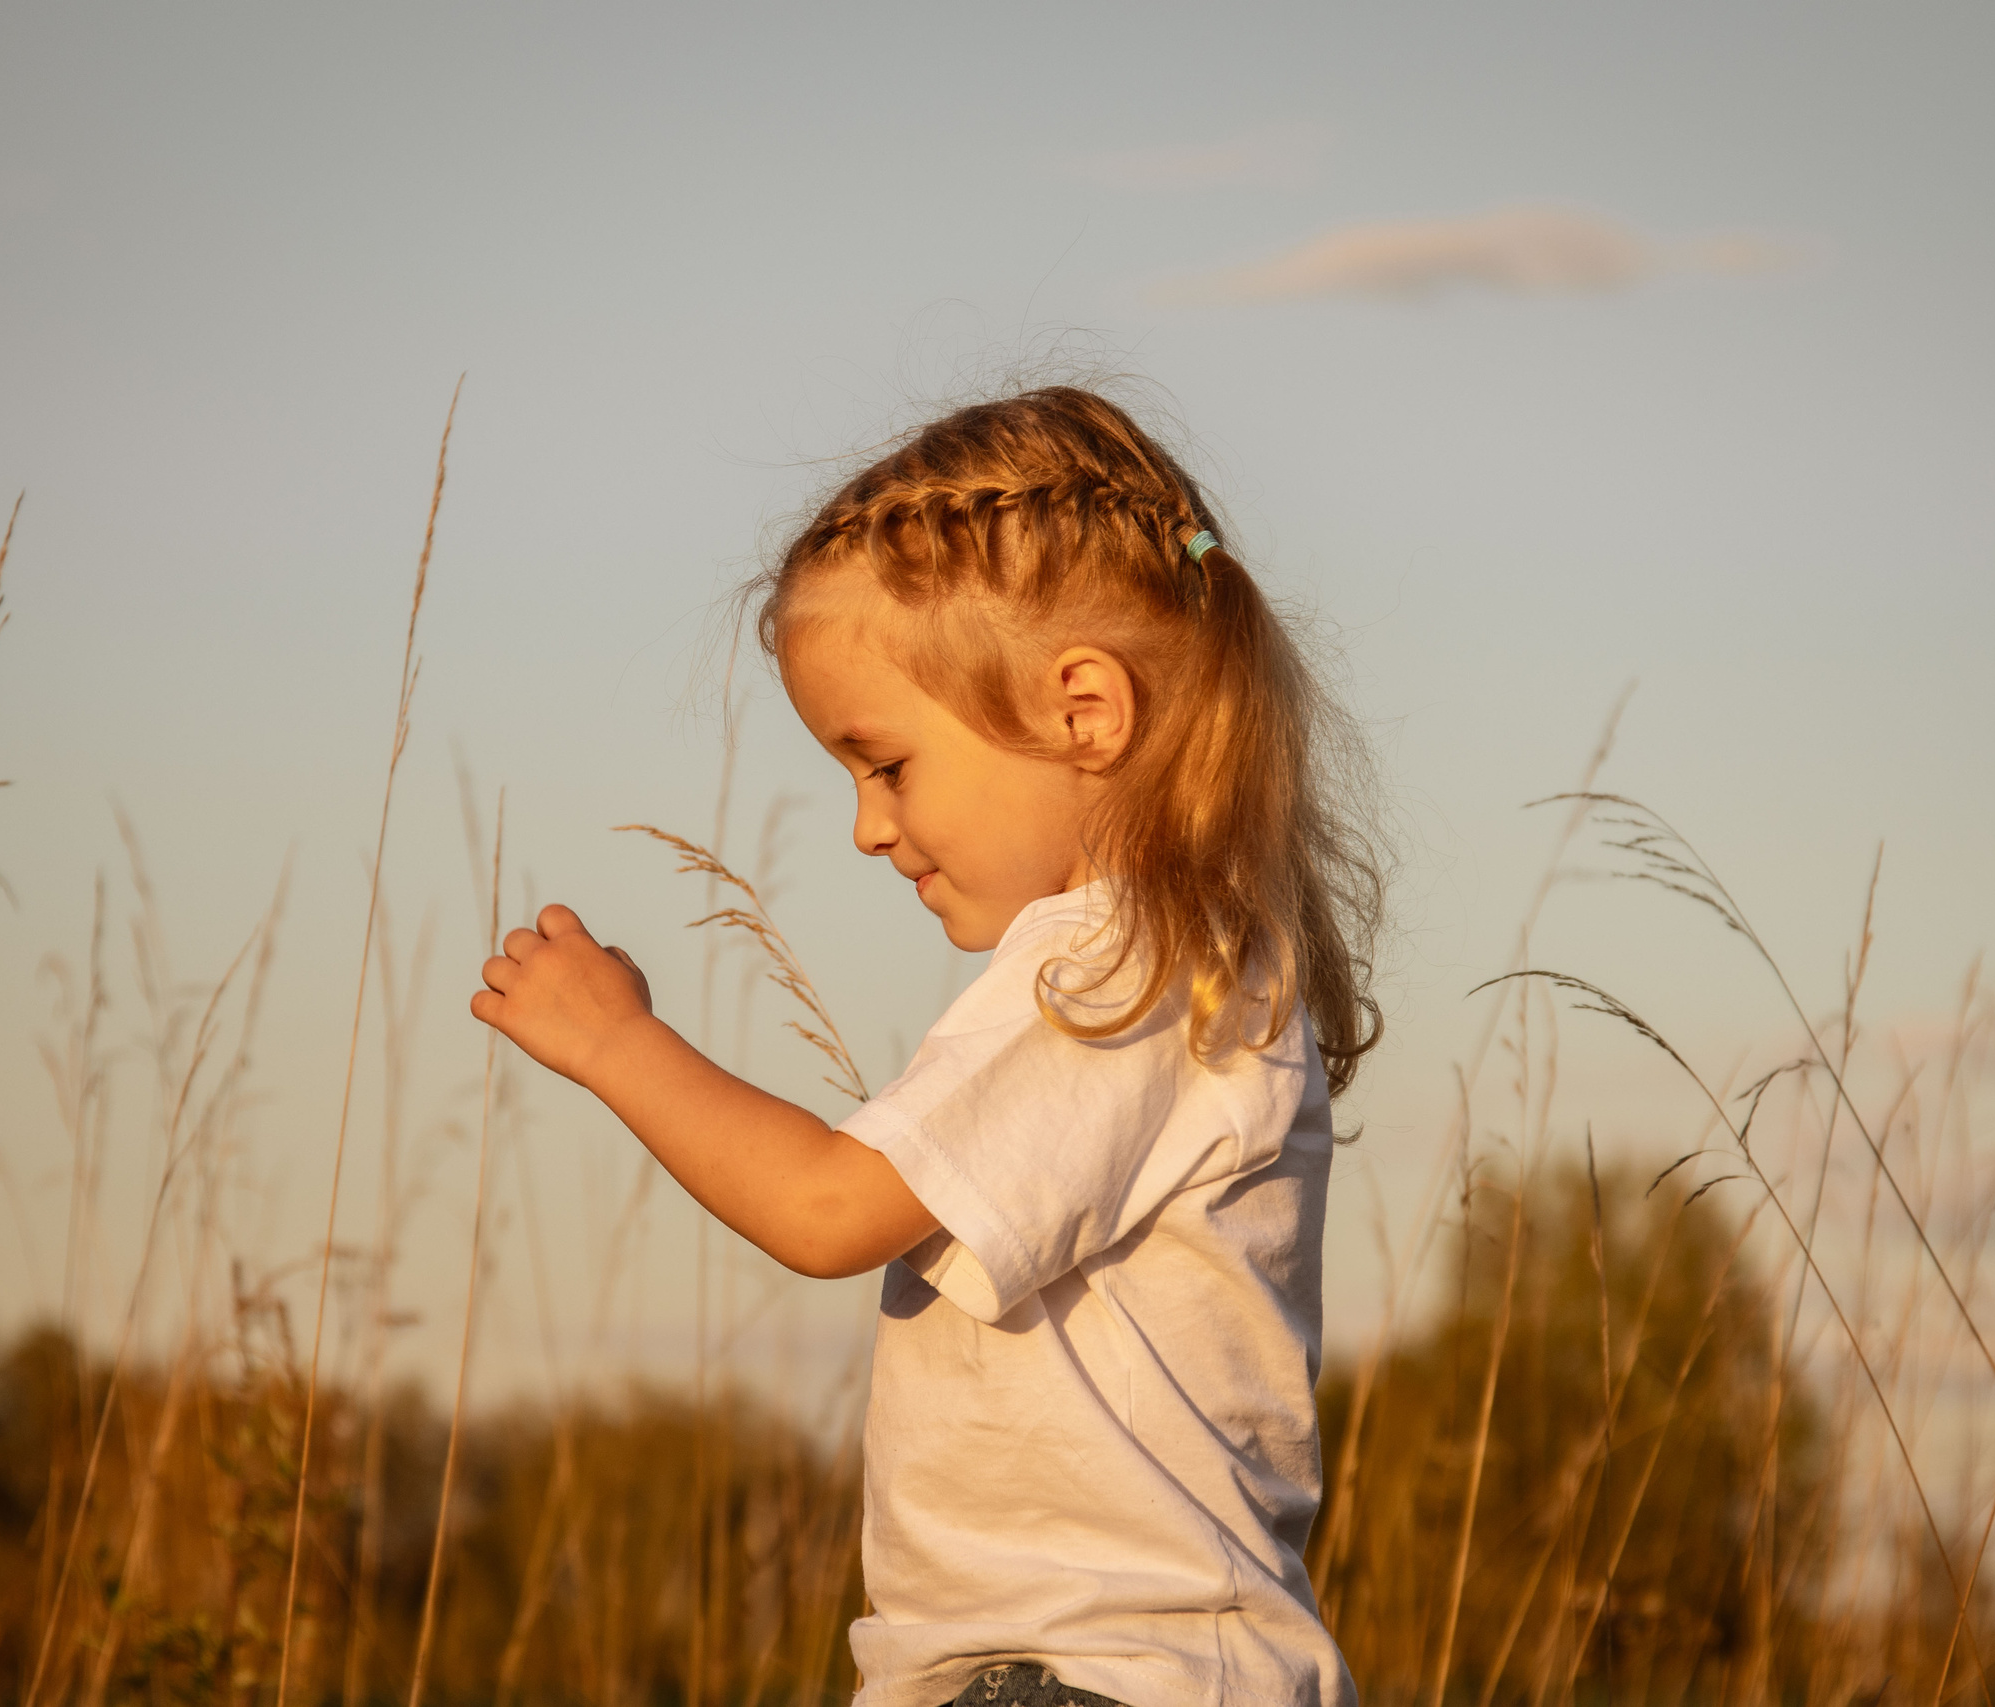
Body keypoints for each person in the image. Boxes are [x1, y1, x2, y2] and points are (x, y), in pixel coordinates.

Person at [472, 385, 1384, 1707]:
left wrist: (620, 1044)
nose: (867, 828)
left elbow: (830, 1207)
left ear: (1085, 711)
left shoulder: (1119, 970)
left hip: (1088, 1681)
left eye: (885, 765)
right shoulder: (1190, 963)